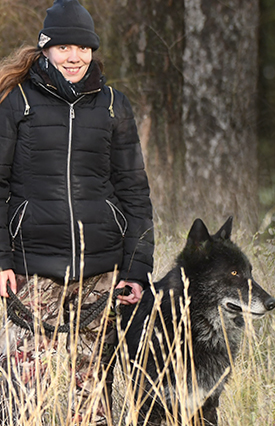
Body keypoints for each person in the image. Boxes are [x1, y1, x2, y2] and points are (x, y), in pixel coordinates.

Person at [0, 0, 153, 423]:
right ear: (45, 48)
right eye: (64, 47)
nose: (74, 57)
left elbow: (135, 193)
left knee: (91, 395)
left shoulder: (114, 105)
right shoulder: (16, 102)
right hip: (32, 268)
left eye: (83, 48)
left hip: (101, 270)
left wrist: (137, 270)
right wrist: (1, 260)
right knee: (21, 393)